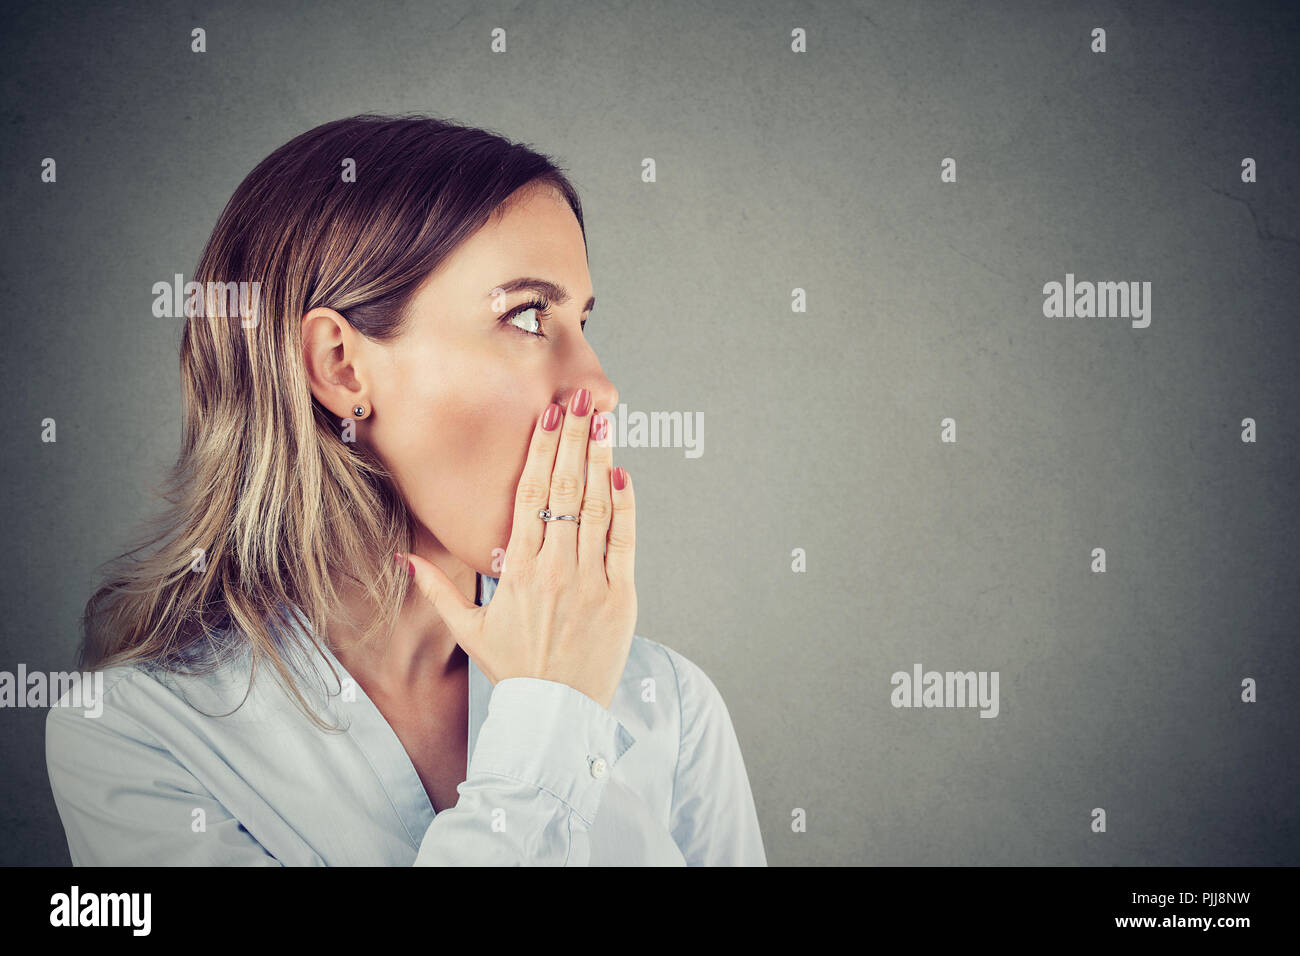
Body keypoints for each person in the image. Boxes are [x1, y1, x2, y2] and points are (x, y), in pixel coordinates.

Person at [44, 114, 766, 866]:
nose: (601, 386)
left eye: (581, 321)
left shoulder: (670, 708)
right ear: (340, 367)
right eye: (526, 316)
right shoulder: (137, 738)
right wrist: (550, 720)